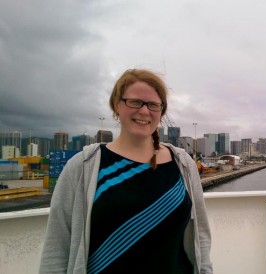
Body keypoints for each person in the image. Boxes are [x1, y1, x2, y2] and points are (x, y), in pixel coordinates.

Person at [39, 69, 212, 274]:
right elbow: (56, 250)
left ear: (161, 112)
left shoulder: (183, 164)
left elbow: (200, 238)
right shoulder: (83, 167)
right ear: (116, 106)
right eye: (135, 102)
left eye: (153, 105)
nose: (144, 111)